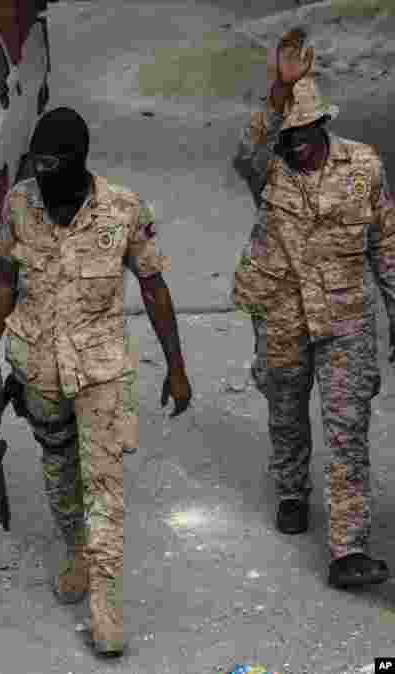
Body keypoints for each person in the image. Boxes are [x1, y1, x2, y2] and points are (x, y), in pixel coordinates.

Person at [0, 107, 192, 656]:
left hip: (100, 372)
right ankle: (77, 555)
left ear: (78, 161)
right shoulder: (20, 203)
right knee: (57, 471)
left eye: (55, 163)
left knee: (104, 490)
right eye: (38, 162)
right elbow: (4, 278)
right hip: (39, 370)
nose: (44, 172)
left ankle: (107, 615)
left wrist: (177, 367)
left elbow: (154, 288)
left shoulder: (122, 207)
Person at [232, 27, 393, 588]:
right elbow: (247, 150)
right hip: (282, 312)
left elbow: (388, 244)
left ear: (324, 124)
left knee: (348, 428)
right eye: (289, 135)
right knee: (286, 413)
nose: (296, 143)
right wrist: (278, 89)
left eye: (305, 132)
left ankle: (347, 550)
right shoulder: (268, 167)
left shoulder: (365, 168)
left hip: (346, 319)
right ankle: (293, 488)